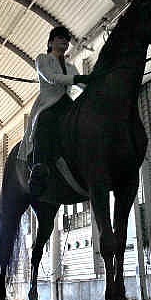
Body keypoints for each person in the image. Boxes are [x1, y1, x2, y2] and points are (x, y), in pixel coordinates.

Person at [17, 26, 94, 195]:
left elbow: (82, 85)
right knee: (46, 121)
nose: (65, 41)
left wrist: (96, 82)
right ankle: (39, 167)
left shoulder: (70, 66)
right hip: (48, 105)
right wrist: (78, 78)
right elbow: (51, 78)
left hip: (66, 104)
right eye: (60, 38)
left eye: (67, 39)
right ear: (51, 42)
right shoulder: (42, 59)